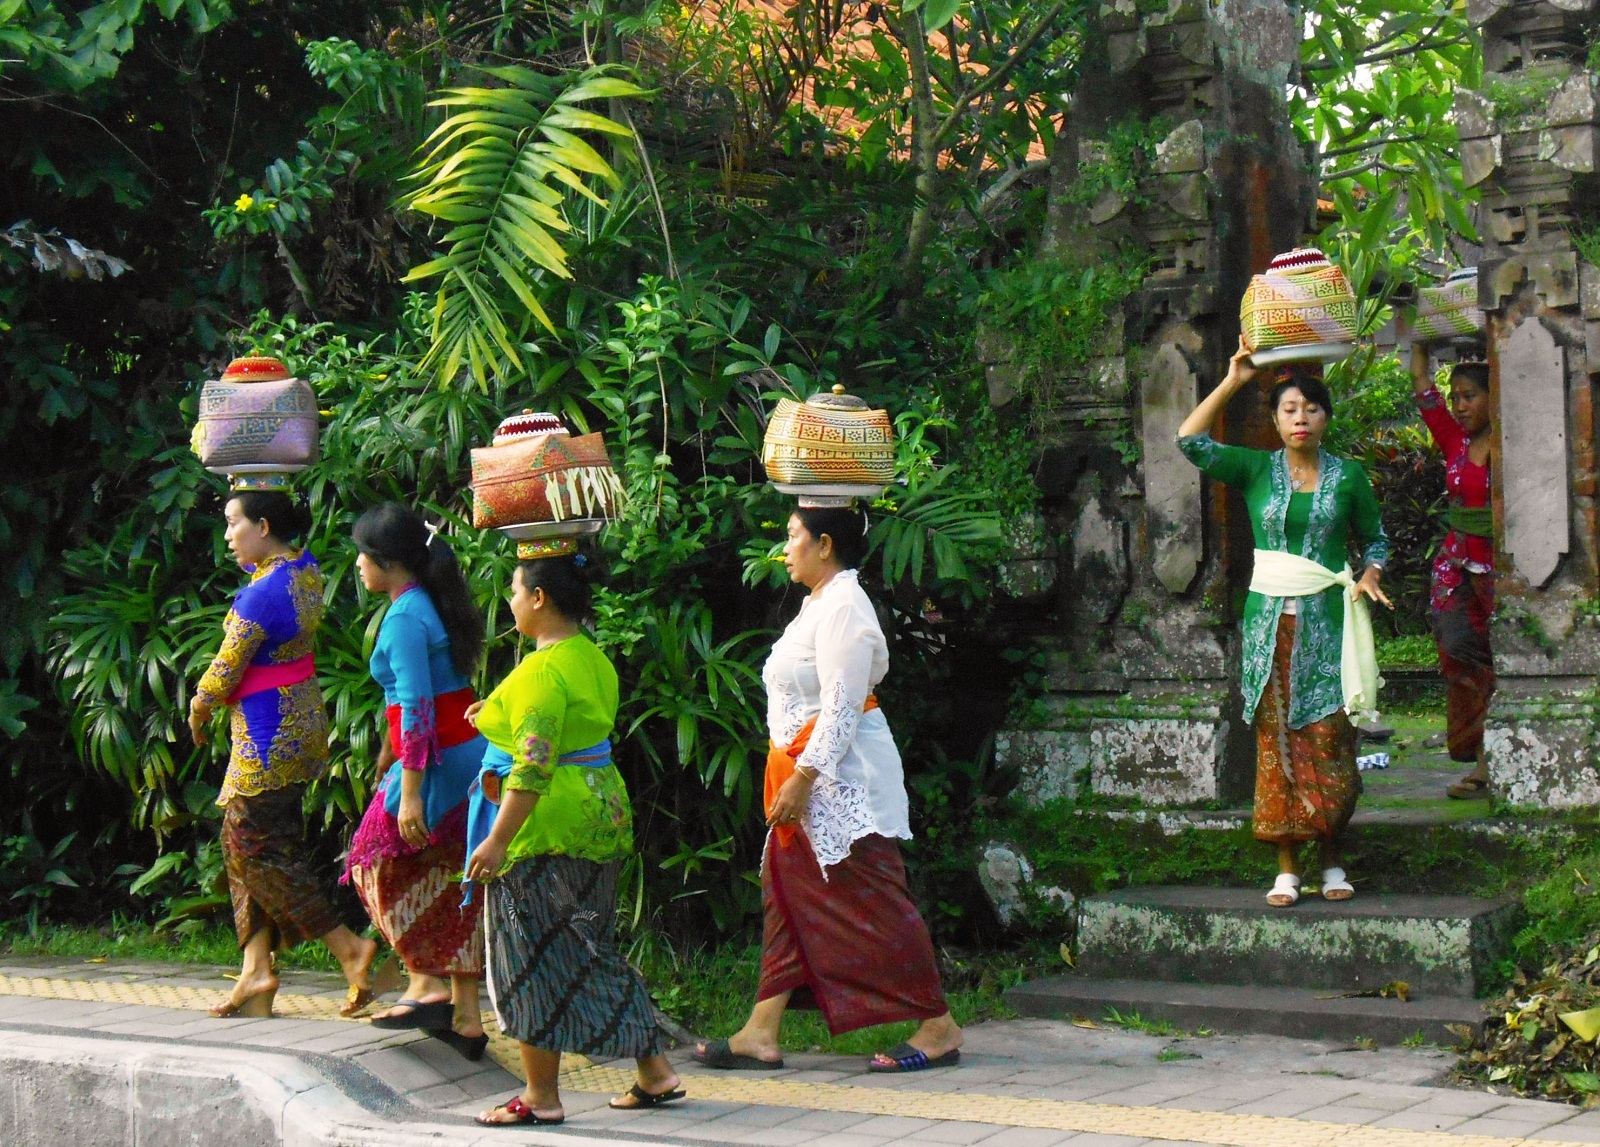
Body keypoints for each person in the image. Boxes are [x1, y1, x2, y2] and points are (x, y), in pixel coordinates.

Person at [693, 505, 962, 1074]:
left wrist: (803, 777)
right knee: (786, 896)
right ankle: (761, 1029)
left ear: (825, 544)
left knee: (876, 898)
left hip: (843, 783)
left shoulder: (845, 606)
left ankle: (938, 1024)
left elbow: (842, 705)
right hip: (806, 776)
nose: (784, 548)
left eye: (792, 536)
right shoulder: (818, 603)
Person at [464, 550, 681, 1126]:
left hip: (547, 826)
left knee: (530, 960)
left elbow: (532, 765)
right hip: (600, 813)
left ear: (538, 599)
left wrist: (497, 841)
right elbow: (561, 721)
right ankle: (655, 1072)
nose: (509, 601)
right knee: (588, 952)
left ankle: (540, 1097)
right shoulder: (590, 657)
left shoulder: (540, 670)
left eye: (514, 589)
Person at [1177, 338, 1392, 906]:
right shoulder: (1253, 470)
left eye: (1311, 409)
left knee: (1329, 738)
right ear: (1274, 420)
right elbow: (1190, 441)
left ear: (1326, 418)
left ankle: (1333, 861)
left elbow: (1376, 539)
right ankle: (1287, 866)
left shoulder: (1348, 477)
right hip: (1269, 626)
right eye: (1289, 410)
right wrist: (1233, 380)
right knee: (1277, 743)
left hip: (1328, 625)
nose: (1301, 419)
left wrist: (1370, 574)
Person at [188, 488, 383, 1017]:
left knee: (255, 847)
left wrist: (199, 706)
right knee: (247, 841)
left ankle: (349, 949)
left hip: (267, 732)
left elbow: (227, 667)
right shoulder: (305, 568)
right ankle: (257, 970)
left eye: (234, 523)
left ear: (264, 525)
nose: (228, 535)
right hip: (300, 719)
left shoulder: (261, 593)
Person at [344, 503, 488, 1057]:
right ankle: (468, 1015)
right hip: (463, 753)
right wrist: (388, 750)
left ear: (386, 562)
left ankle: (425, 984)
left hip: (437, 759)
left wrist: (408, 791)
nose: (357, 565)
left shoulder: (404, 617)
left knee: (374, 864)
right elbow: (406, 698)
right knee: (453, 878)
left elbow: (419, 707)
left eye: (363, 555)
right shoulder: (429, 602)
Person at [1409, 347, 1496, 800]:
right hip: (1456, 569)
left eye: (1469, 396)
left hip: (1501, 570)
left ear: (1493, 396)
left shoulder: (1511, 442)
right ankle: (1481, 760)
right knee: (1460, 654)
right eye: (1455, 397)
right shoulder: (1454, 441)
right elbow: (1421, 386)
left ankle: (1502, 762)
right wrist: (1420, 338)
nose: (1459, 406)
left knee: (1507, 657)